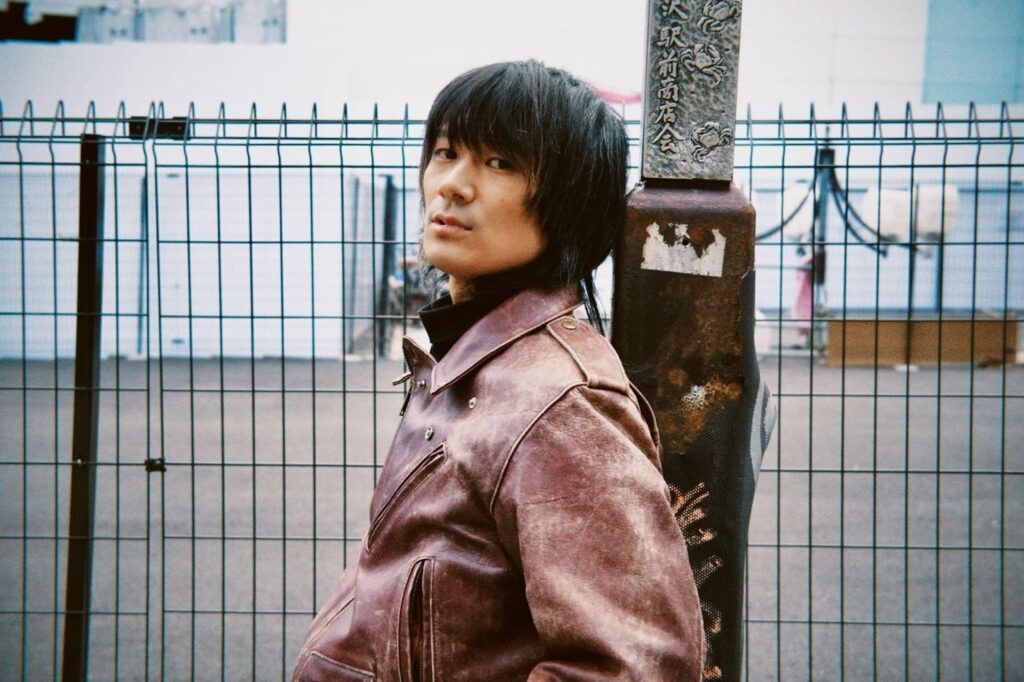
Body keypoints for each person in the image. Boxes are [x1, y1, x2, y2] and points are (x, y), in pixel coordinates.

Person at [292, 60, 704, 681]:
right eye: (445, 152)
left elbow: (632, 665)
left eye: (500, 162)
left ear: (569, 203)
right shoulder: (473, 360)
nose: (452, 185)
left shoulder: (560, 401)